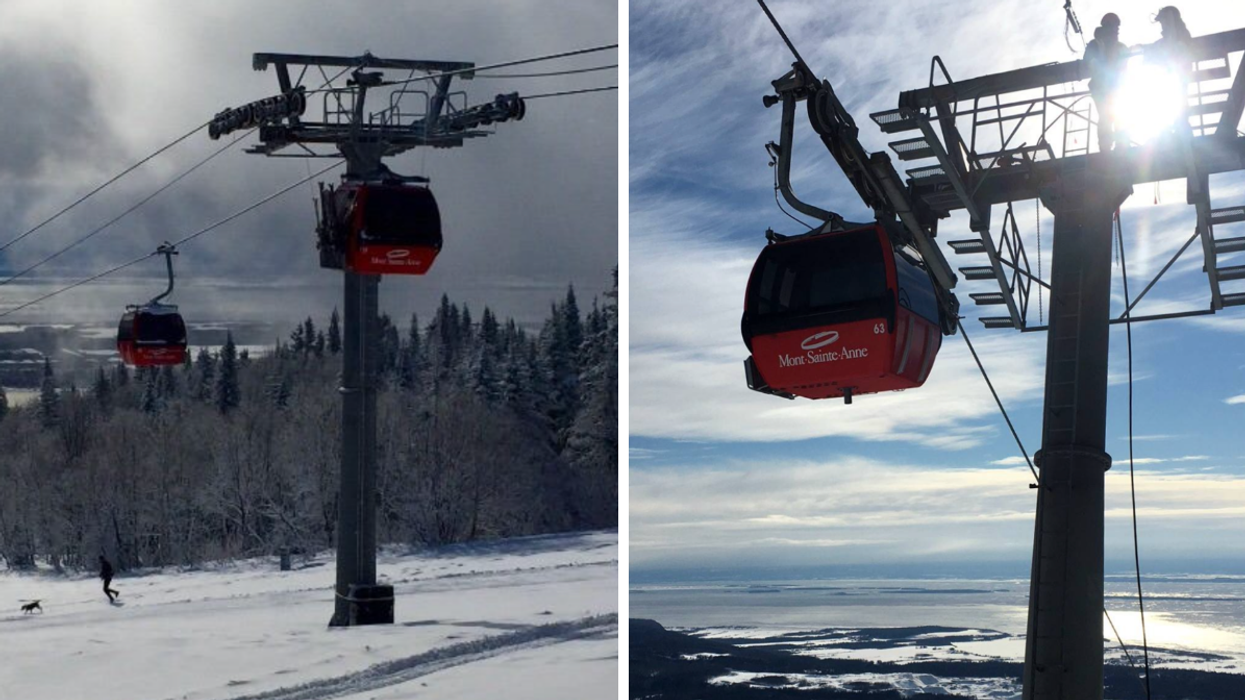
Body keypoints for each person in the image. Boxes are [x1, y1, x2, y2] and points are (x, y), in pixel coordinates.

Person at [1084, 13, 1126, 151]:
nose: (1115, 30)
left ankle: (1121, 145)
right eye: (1113, 26)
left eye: (1116, 27)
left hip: (1116, 87)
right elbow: (1088, 60)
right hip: (1101, 86)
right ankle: (1106, 147)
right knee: (1106, 116)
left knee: (1118, 115)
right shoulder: (1096, 44)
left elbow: (1124, 66)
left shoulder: (1120, 46)